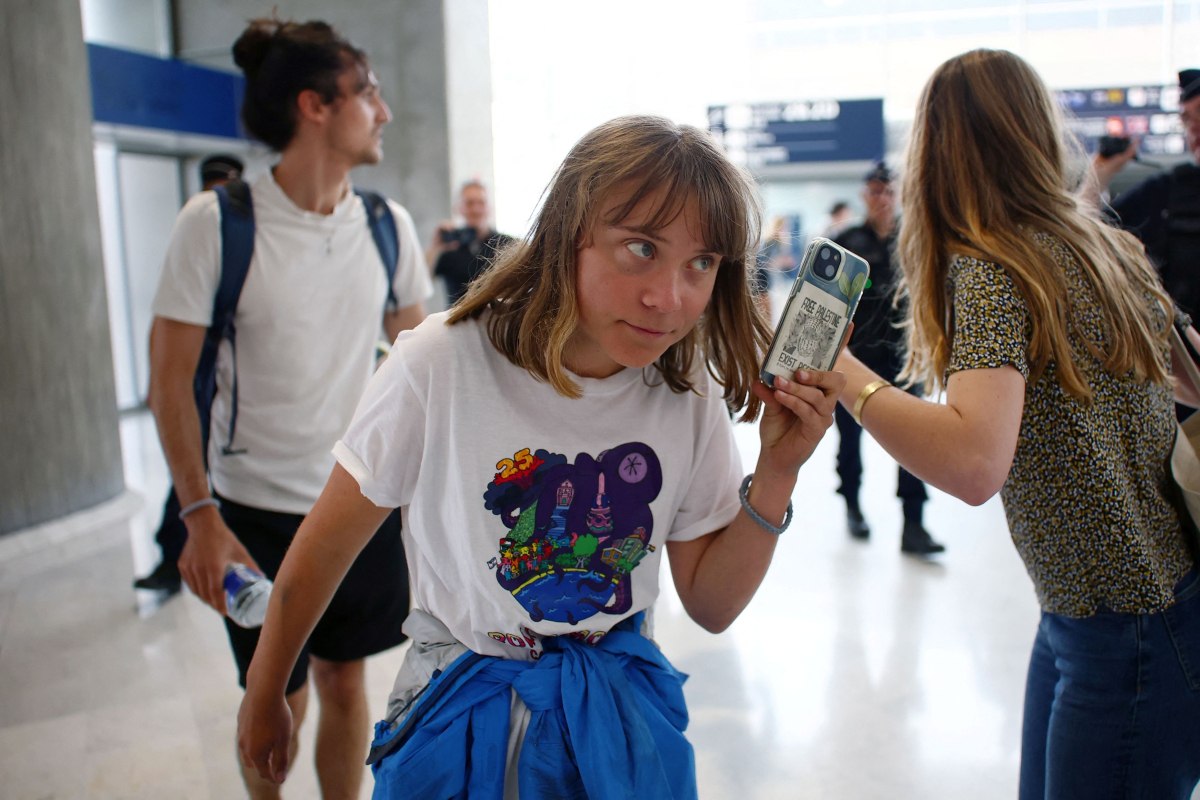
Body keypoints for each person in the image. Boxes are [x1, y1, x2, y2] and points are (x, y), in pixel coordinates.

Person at [236, 114, 845, 798]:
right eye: (640, 248)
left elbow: (711, 604)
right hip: (457, 718)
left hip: (614, 724)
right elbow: (324, 548)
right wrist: (266, 687)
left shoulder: (686, 388)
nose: (667, 299)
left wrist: (778, 472)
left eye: (700, 263)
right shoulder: (441, 363)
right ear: (567, 234)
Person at [834, 49, 1200, 798]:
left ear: (935, 150)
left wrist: (843, 373)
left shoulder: (991, 269)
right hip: (1119, 610)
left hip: (1121, 631)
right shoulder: (1104, 244)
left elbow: (974, 462)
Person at [147, 18, 430, 799]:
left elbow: (422, 369)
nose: (383, 111)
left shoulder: (388, 227)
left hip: (356, 502)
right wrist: (200, 516)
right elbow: (168, 382)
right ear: (315, 105)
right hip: (254, 514)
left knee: (345, 682)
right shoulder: (216, 224)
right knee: (278, 697)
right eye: (367, 93)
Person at [133, 152, 247, 596]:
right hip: (196, 375)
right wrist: (158, 381)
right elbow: (164, 319)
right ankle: (174, 557)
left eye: (226, 185)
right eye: (212, 184)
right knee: (189, 465)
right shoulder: (196, 231)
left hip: (234, 379)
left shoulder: (243, 236)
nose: (217, 193)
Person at [833, 162, 944, 555]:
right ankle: (852, 507)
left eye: (888, 191)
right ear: (865, 195)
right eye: (875, 191)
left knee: (915, 442)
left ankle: (914, 524)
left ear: (898, 196)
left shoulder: (913, 240)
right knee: (849, 441)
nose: (882, 199)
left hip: (903, 357)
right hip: (857, 358)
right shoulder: (847, 242)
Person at [1092, 69, 1200, 319]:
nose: (1194, 127)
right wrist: (1098, 173)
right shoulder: (1168, 190)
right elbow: (1087, 233)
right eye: (1186, 118)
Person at [424, 179, 513, 305]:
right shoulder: (450, 245)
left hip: (497, 315)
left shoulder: (507, 244)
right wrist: (435, 247)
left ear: (489, 208)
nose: (476, 209)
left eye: (481, 203)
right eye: (469, 203)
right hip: (456, 316)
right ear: (459, 208)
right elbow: (421, 281)